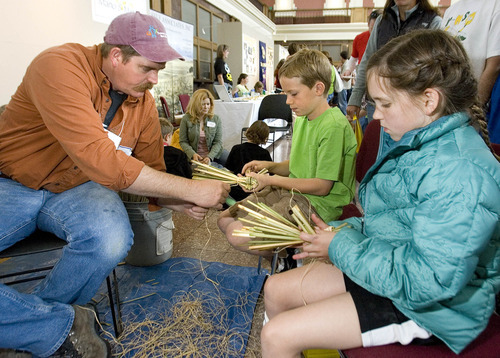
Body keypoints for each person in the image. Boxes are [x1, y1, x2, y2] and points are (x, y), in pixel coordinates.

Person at [0, 12, 229, 357]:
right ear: (116, 56)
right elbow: (100, 157)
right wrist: (190, 189)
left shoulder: (144, 102)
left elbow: (151, 166)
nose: (154, 79)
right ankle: (56, 328)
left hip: (75, 187)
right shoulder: (59, 66)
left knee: (111, 240)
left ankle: (33, 327)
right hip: (12, 183)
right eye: (147, 68)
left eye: (159, 70)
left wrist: (169, 199)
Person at [260, 29, 500, 357]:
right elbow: (389, 222)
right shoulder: (416, 139)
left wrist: (340, 245)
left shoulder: (458, 173)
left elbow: (429, 281)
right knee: (274, 288)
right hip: (394, 262)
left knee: (277, 336)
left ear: (429, 100)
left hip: (433, 306)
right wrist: (339, 233)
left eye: (385, 104)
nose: (376, 115)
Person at [218, 49, 357, 266]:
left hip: (316, 203)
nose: (287, 102)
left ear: (318, 88)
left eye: (293, 94)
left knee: (239, 234)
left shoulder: (334, 126)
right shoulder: (303, 117)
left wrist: (270, 179)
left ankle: (286, 258)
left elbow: (322, 186)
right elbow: (300, 166)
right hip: (292, 192)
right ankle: (281, 255)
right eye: (286, 94)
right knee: (224, 219)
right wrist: (269, 166)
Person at [346, 0, 441, 125]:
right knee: (378, 143)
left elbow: (434, 69)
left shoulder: (433, 21)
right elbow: (367, 61)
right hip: (377, 104)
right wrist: (355, 98)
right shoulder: (381, 21)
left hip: (412, 106)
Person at [441, 0, 500, 108]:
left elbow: (494, 65)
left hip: (476, 103)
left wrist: (475, 107)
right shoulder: (452, 9)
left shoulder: (495, 5)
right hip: (450, 100)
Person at [225, 120, 272, 202]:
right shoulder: (264, 153)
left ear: (249, 131)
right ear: (265, 137)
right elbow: (270, 175)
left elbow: (229, 171)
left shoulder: (236, 148)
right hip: (254, 192)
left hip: (234, 191)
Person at [179, 89, 224, 166]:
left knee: (231, 161)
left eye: (208, 104)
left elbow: (218, 142)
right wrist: (193, 154)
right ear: (196, 104)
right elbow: (183, 141)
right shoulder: (186, 119)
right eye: (203, 104)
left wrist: (209, 157)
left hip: (212, 155)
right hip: (194, 157)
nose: (206, 107)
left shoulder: (216, 119)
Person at [341, 10, 381, 78]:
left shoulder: (387, 38)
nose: (375, 32)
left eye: (378, 29)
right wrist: (348, 70)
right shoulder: (359, 38)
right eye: (372, 28)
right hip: (363, 74)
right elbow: (353, 59)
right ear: (368, 24)